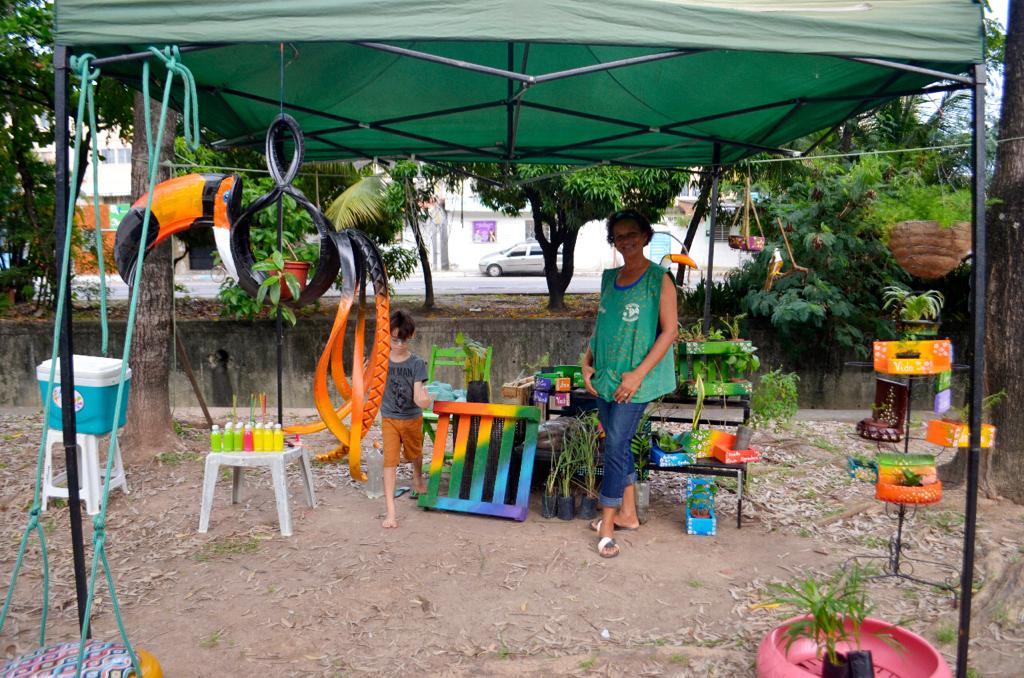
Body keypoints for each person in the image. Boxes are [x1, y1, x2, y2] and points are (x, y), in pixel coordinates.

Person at [581, 209, 678, 558]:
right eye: (619, 236)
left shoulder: (659, 279)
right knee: (616, 442)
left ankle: (607, 523)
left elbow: (670, 332)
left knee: (615, 443)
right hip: (606, 377)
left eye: (631, 234)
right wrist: (587, 363)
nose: (626, 241)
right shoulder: (610, 279)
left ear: (646, 235)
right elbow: (602, 326)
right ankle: (629, 514)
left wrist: (637, 375)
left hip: (636, 381)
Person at [380, 310, 432, 528]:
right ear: (387, 336)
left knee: (415, 453)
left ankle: (418, 476)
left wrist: (424, 400)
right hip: (389, 418)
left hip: (411, 418)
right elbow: (365, 385)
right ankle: (391, 513)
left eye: (404, 339)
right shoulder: (381, 361)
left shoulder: (417, 364)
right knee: (389, 463)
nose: (399, 344)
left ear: (412, 336)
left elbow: (419, 395)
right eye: (394, 339)